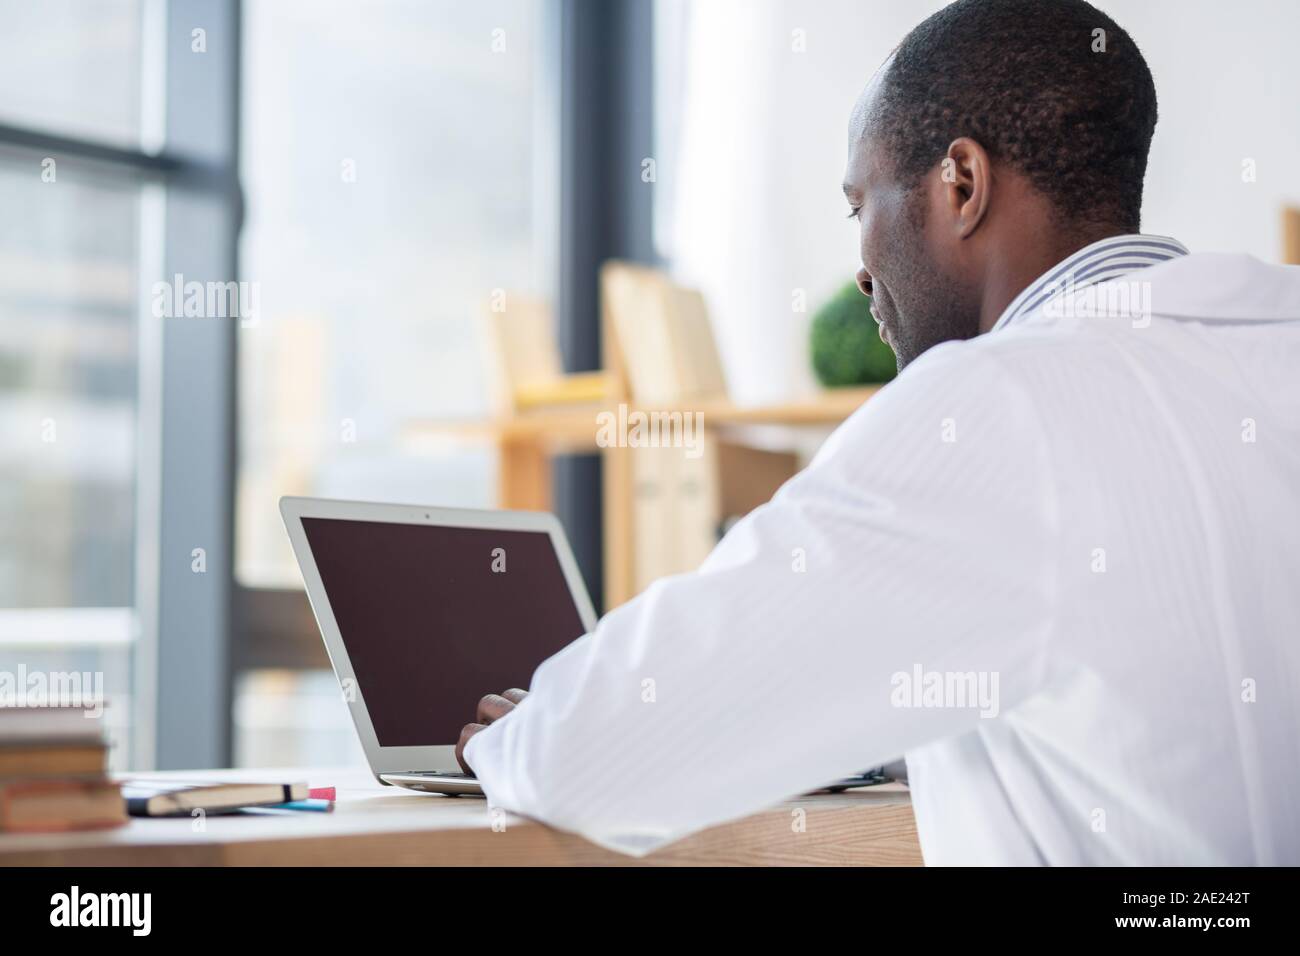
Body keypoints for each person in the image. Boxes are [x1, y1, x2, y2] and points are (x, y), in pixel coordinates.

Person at [456, 0, 1300, 864]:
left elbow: (597, 758)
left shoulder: (995, 405)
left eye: (860, 202)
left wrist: (532, 733)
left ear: (960, 185)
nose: (861, 264)